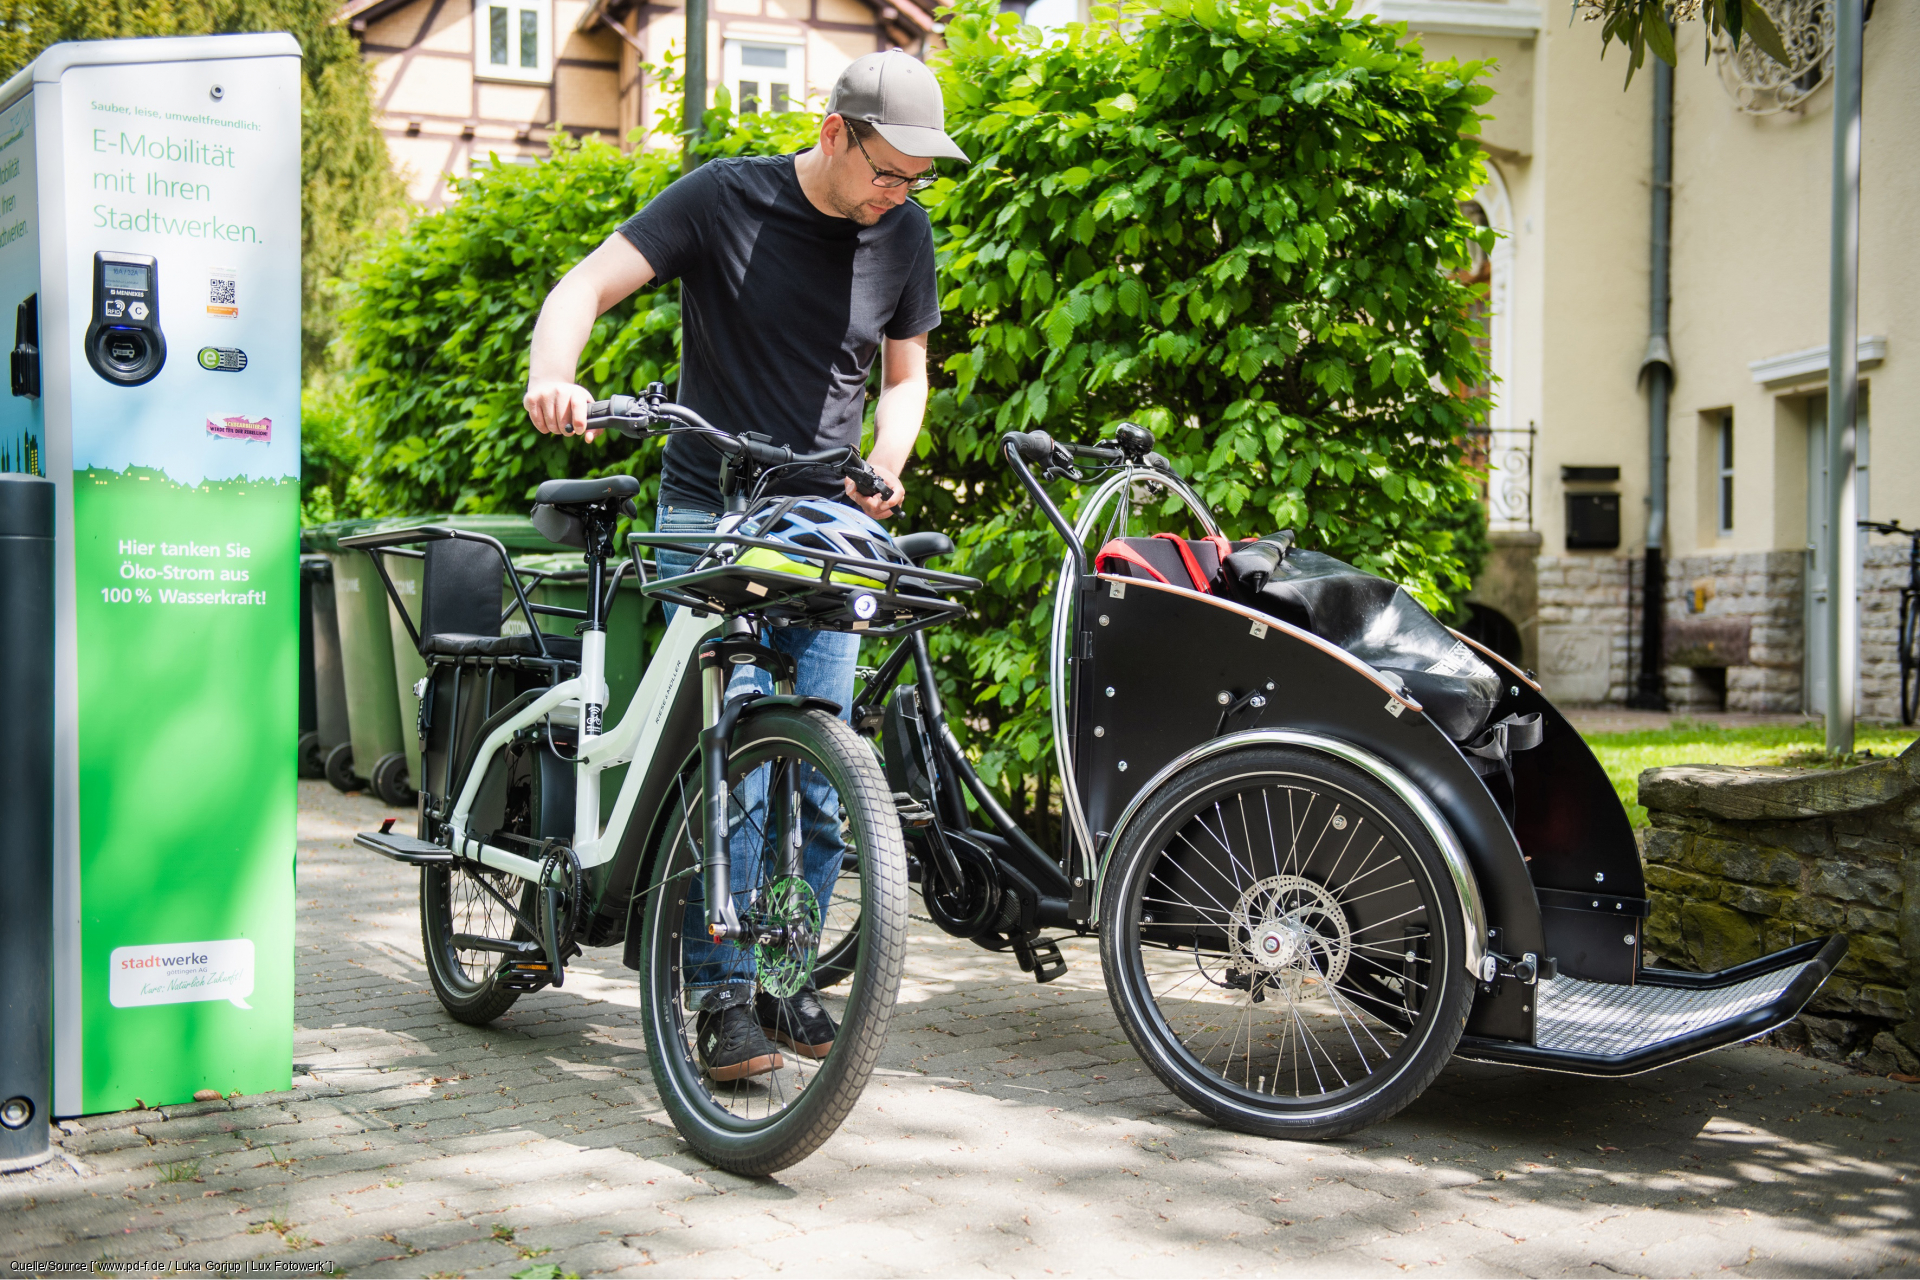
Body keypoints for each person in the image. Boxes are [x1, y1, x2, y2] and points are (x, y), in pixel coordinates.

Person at [522, 50, 969, 1083]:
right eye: (889, 171)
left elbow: (906, 379)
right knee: (738, 757)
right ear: (832, 133)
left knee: (821, 772)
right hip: (710, 502)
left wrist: (883, 468)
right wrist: (557, 374)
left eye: (918, 179)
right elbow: (586, 283)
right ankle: (717, 991)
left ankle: (780, 968)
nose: (901, 194)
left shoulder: (902, 230)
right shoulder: (726, 198)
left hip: (826, 515)